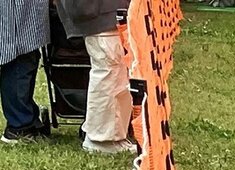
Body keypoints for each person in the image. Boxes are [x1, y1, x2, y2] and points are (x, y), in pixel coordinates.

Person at [56, 0, 135, 154]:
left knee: (112, 73)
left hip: (103, 13)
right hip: (101, 13)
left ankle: (104, 136)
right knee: (110, 73)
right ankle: (102, 140)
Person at [0, 0, 51, 144]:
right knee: (19, 59)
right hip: (16, 13)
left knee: (25, 58)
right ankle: (19, 126)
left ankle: (26, 120)